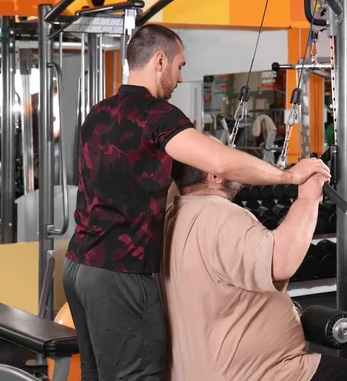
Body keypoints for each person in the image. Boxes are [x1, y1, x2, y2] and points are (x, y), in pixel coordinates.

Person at [62, 23, 330, 381]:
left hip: (78, 266)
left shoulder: (99, 113)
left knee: (97, 374)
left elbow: (132, 180)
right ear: (160, 60)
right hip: (119, 273)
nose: (178, 75)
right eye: (179, 66)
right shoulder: (156, 113)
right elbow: (218, 162)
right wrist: (290, 176)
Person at [161, 159, 347, 381]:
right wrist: (308, 198)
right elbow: (280, 263)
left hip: (198, 371)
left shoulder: (173, 213)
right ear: (214, 175)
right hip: (255, 373)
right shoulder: (220, 215)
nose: (234, 158)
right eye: (226, 156)